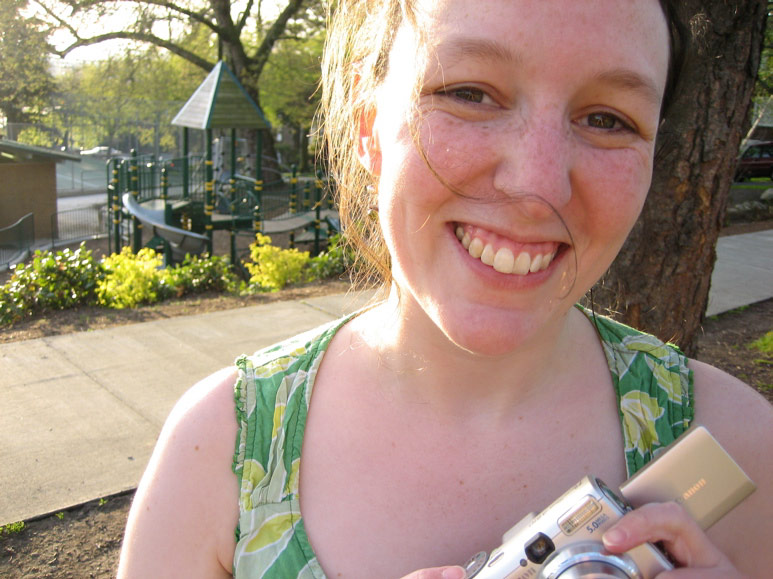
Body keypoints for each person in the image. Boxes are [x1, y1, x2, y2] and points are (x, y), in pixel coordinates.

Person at [117, 0, 773, 577]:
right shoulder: (219, 453)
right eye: (469, 93)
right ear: (370, 125)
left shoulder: (737, 448)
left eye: (607, 119)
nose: (536, 181)